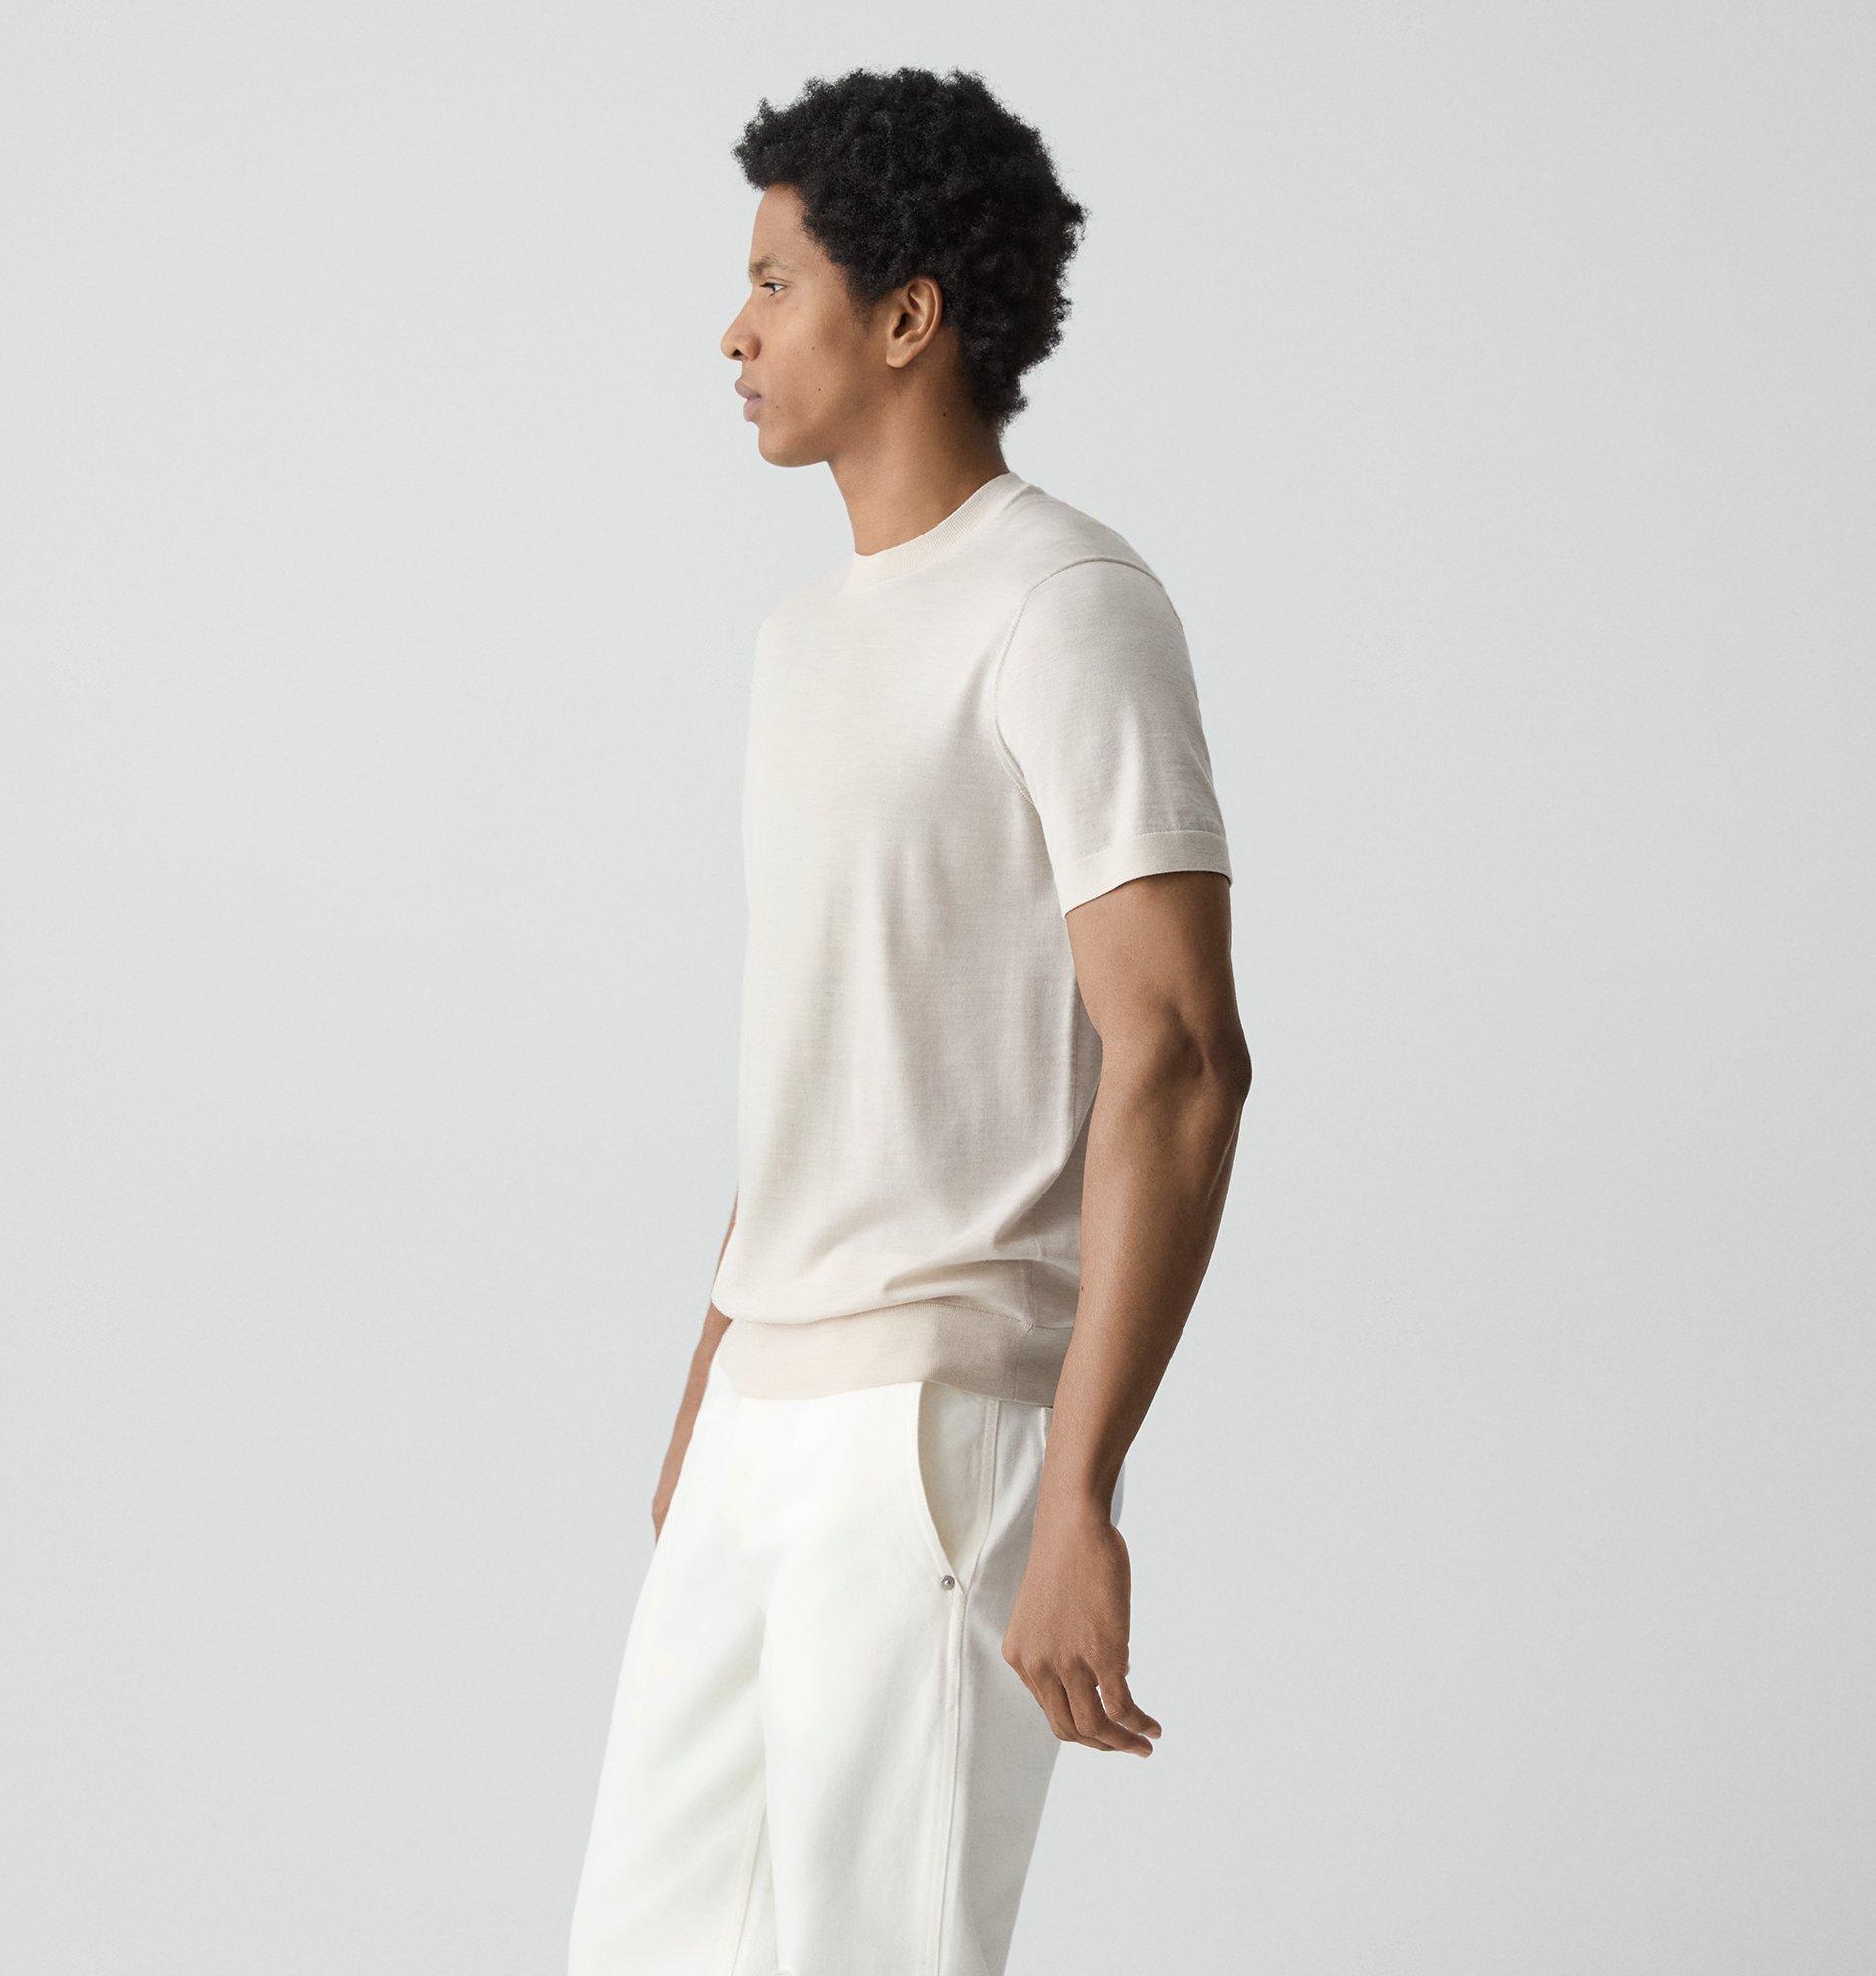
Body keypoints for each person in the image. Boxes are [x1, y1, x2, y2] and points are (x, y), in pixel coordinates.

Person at [568, 64, 1250, 1976]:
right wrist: (709, 1395)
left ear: (906, 318)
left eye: (774, 283)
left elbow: (1181, 1058)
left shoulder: (1067, 605)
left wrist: (1082, 1493)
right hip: (757, 1417)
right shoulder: (800, 647)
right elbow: (833, 1052)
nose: (733, 331)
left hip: (939, 1432)